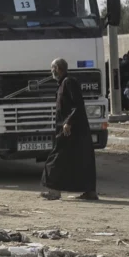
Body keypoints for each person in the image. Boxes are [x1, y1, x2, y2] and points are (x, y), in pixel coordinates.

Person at [41, 58, 98, 201]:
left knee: (56, 158)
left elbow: (78, 104)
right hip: (70, 130)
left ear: (58, 68)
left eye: (52, 68)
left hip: (71, 129)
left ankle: (54, 191)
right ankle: (89, 192)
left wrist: (68, 122)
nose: (51, 71)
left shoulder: (69, 82)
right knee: (80, 160)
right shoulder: (62, 84)